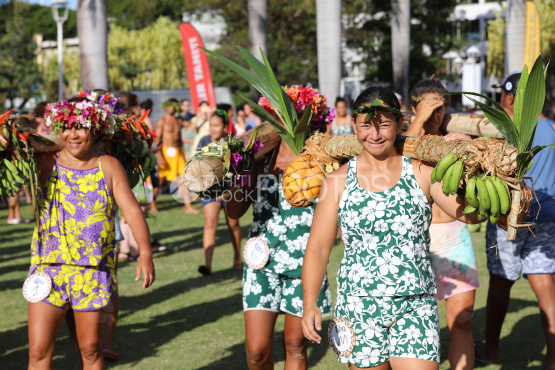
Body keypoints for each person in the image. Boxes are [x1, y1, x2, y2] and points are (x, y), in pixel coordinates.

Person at [301, 86, 481, 370]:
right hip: (358, 304)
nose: (375, 135)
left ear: (398, 124)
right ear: (354, 126)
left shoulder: (422, 172)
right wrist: (310, 302)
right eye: (366, 126)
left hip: (415, 302)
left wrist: (475, 167)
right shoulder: (336, 181)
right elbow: (318, 247)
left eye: (384, 125)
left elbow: (469, 215)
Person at [28, 98, 155, 370]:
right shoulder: (44, 161)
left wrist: (145, 252)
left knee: (90, 350)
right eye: (66, 127)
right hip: (47, 271)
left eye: (81, 127)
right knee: (38, 351)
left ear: (95, 131)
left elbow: (132, 213)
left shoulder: (107, 166)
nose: (72, 134)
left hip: (92, 272)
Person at [226, 112, 332, 370]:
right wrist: (242, 166)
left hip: (306, 265)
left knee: (295, 346)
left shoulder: (322, 159)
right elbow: (234, 211)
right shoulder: (261, 161)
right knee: (256, 351)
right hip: (261, 263)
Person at [474, 72, 555, 368]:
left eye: (501, 96)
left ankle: (492, 350)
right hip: (547, 215)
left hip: (509, 218)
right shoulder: (552, 129)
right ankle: (553, 358)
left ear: (511, 98)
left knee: (501, 280)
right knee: (544, 280)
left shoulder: (503, 131)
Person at [405, 79, 479, 370]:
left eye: (441, 107)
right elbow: (402, 158)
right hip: (415, 240)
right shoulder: (401, 139)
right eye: (430, 106)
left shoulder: (457, 138)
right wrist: (420, 119)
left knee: (461, 322)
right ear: (415, 107)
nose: (437, 114)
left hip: (454, 236)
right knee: (416, 327)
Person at [196, 110, 242, 276]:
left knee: (233, 225)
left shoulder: (233, 143)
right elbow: (197, 166)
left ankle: (238, 258)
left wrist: (228, 190)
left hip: (230, 192)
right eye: (211, 125)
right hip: (211, 191)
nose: (212, 128)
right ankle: (207, 265)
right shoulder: (204, 141)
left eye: (216, 125)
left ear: (225, 127)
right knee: (210, 223)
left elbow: (239, 170)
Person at [156, 98, 200, 214]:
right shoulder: (162, 121)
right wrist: (159, 155)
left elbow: (180, 140)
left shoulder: (178, 121)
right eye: (168, 105)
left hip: (178, 151)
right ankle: (151, 204)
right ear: (166, 107)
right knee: (161, 180)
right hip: (166, 150)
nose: (170, 108)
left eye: (173, 106)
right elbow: (157, 139)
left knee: (184, 178)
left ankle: (188, 207)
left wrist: (183, 157)